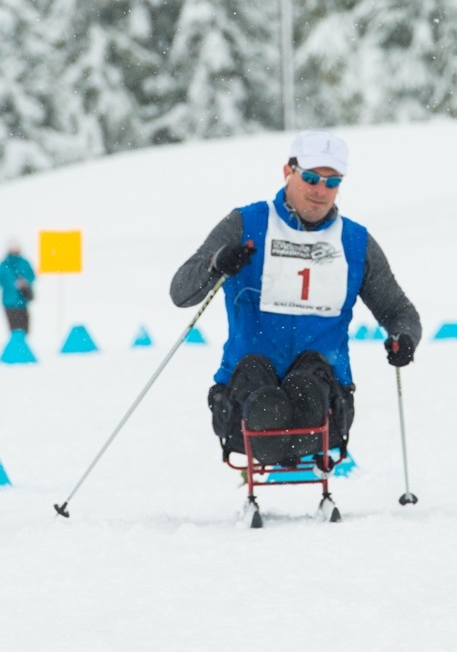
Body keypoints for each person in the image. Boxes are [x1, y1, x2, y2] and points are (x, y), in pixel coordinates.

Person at [170, 130, 420, 469]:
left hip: (326, 394)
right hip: (245, 389)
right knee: (259, 380)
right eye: (312, 178)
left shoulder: (355, 242)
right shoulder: (246, 224)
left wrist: (403, 338)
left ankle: (291, 426)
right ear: (288, 172)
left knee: (308, 383)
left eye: (332, 183)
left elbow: (397, 310)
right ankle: (269, 425)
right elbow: (181, 292)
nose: (320, 191)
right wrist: (217, 263)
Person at [0, 242, 36, 334]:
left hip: (15, 302)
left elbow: (32, 276)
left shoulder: (5, 265)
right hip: (14, 303)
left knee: (20, 330)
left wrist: (25, 282)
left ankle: (19, 346)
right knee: (20, 330)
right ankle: (18, 347)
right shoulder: (16, 264)